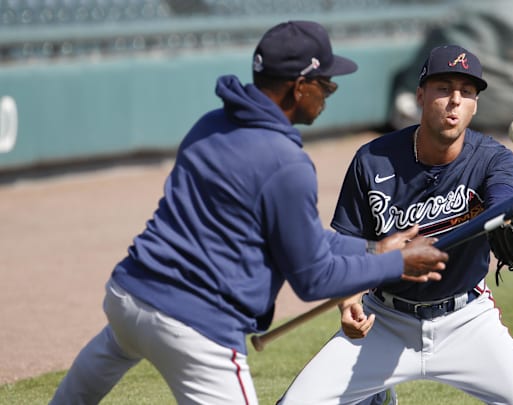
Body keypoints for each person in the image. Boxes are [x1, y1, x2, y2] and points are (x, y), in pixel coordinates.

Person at [49, 21, 449, 405]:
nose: (329, 94)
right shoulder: (286, 164)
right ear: (299, 87)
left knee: (73, 398)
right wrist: (396, 265)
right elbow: (313, 278)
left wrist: (372, 250)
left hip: (128, 297)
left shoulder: (210, 125)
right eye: (326, 84)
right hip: (194, 328)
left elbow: (304, 239)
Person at [277, 45, 513, 404]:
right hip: (383, 320)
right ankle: (377, 396)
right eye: (443, 88)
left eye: (467, 91)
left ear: (475, 103)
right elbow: (348, 245)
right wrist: (348, 300)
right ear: (420, 96)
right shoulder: (373, 160)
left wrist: (509, 227)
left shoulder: (494, 159)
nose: (455, 100)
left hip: (467, 322)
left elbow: (503, 202)